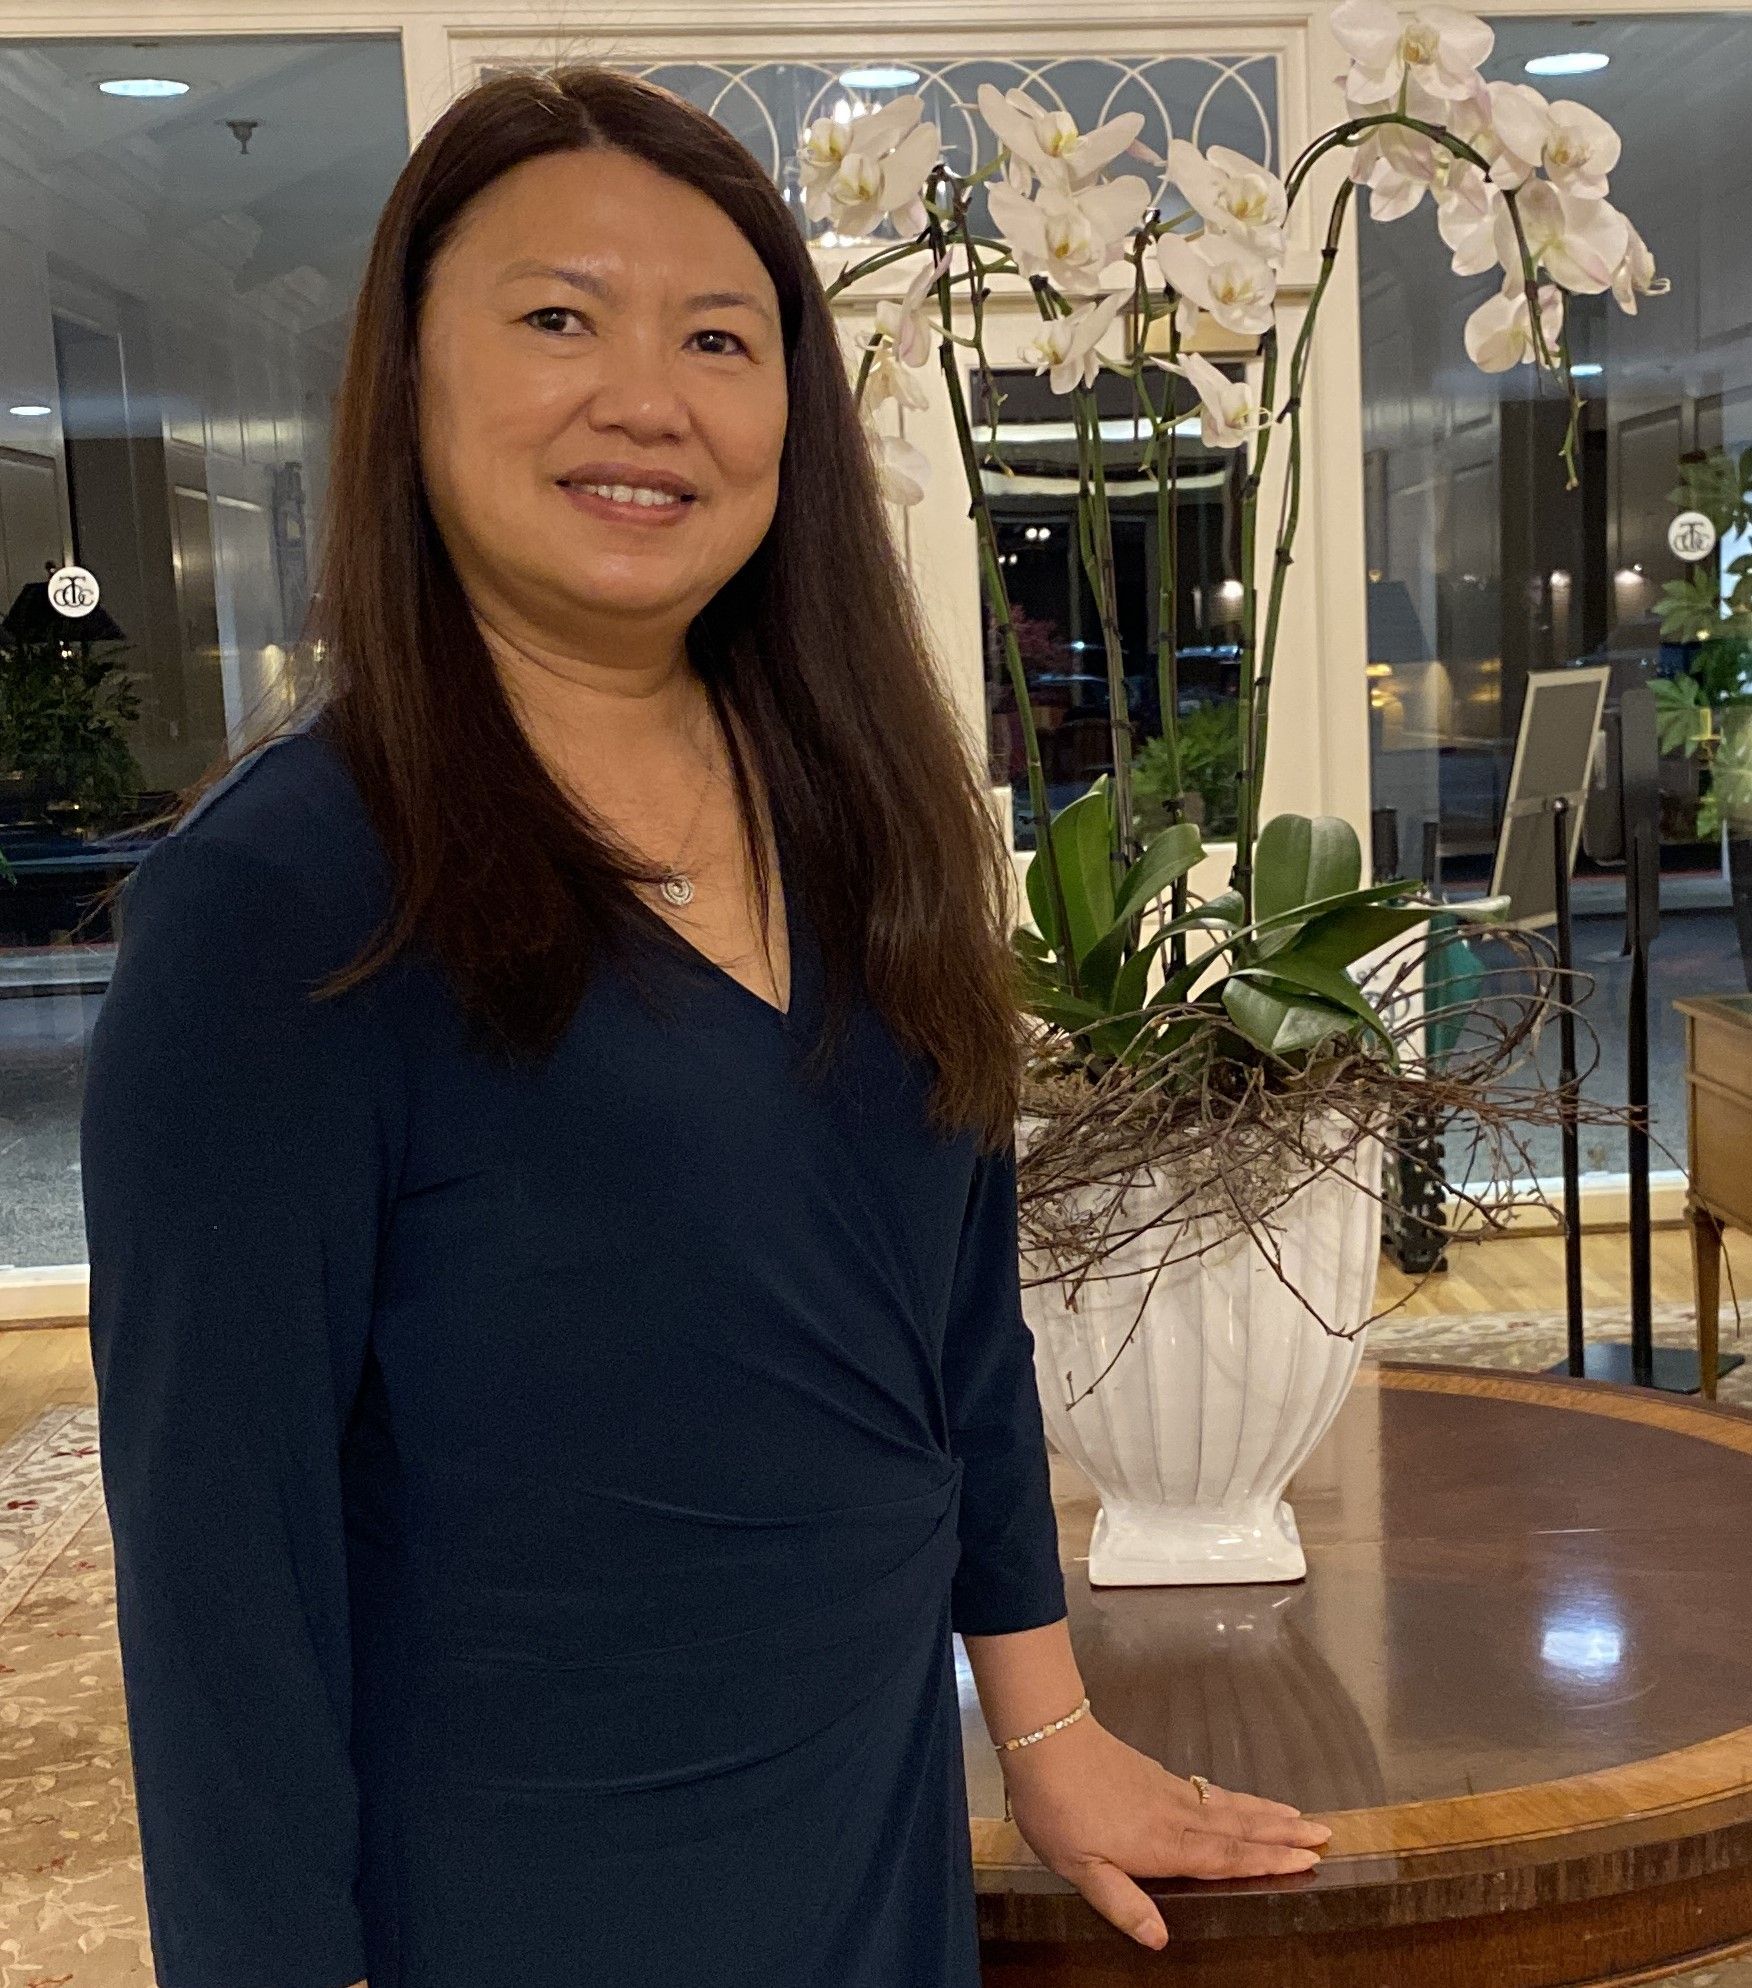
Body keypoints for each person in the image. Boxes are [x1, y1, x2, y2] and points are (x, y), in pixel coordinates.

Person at [79, 64, 1328, 1988]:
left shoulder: (861, 811)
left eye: (719, 337)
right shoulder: (287, 904)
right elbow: (223, 1584)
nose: (644, 399)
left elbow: (954, 1335)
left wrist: (1048, 1732)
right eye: (556, 317)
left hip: (861, 1833)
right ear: (407, 379)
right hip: (522, 1890)